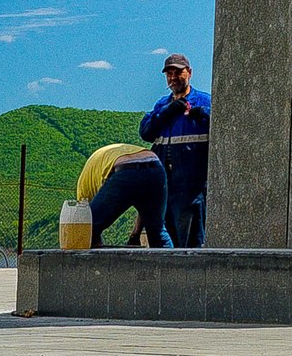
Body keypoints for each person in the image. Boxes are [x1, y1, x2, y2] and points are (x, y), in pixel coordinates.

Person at [140, 53, 210, 248]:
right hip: (165, 185)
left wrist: (202, 114)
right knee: (165, 241)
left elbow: (224, 126)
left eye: (178, 72)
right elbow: (145, 132)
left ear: (189, 73)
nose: (173, 77)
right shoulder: (162, 105)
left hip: (192, 187)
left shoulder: (204, 101)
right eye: (169, 73)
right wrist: (167, 113)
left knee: (192, 242)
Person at [75, 142, 168, 248]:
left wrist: (94, 238)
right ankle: (174, 263)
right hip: (155, 167)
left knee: (86, 229)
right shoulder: (96, 173)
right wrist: (135, 234)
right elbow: (145, 206)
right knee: (157, 231)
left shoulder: (83, 193)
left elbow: (86, 225)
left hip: (124, 170)